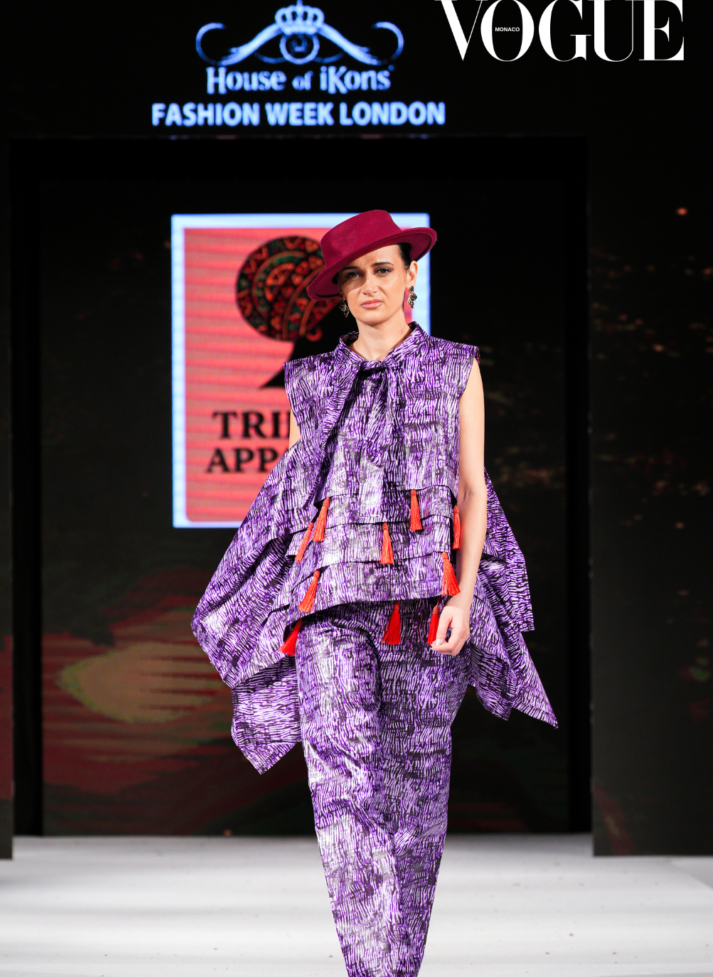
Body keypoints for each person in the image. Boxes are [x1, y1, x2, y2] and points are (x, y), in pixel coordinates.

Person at [192, 210, 556, 977]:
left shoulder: (455, 367)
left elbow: (471, 490)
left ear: (410, 274)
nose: (369, 287)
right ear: (339, 291)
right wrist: (266, 601)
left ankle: (398, 968)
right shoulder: (311, 381)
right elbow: (294, 499)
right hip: (329, 608)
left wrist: (463, 599)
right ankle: (368, 968)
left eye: (382, 269)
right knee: (342, 788)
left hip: (426, 607)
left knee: (415, 801)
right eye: (352, 276)